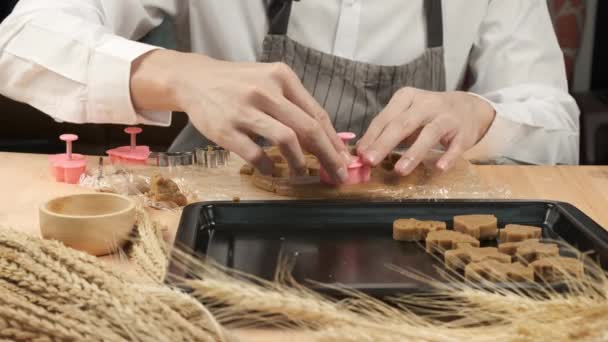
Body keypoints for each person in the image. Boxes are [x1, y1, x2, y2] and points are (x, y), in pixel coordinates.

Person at [0, 0, 579, 183]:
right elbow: (22, 38)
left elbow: (557, 122)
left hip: (406, 234)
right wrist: (181, 74)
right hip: (210, 213)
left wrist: (478, 113)